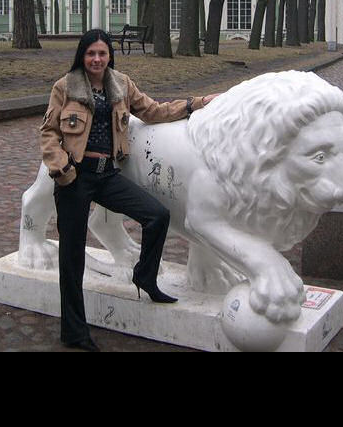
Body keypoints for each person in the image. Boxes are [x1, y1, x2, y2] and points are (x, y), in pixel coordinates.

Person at [40, 29, 218, 352]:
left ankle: (145, 277)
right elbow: (49, 133)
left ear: (110, 56)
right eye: (91, 53)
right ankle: (74, 332)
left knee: (157, 216)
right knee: (72, 258)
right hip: (74, 177)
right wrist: (62, 169)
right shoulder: (65, 87)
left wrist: (196, 104)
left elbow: (154, 111)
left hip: (107, 174)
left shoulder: (121, 85)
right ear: (82, 55)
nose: (96, 59)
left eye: (102, 53)